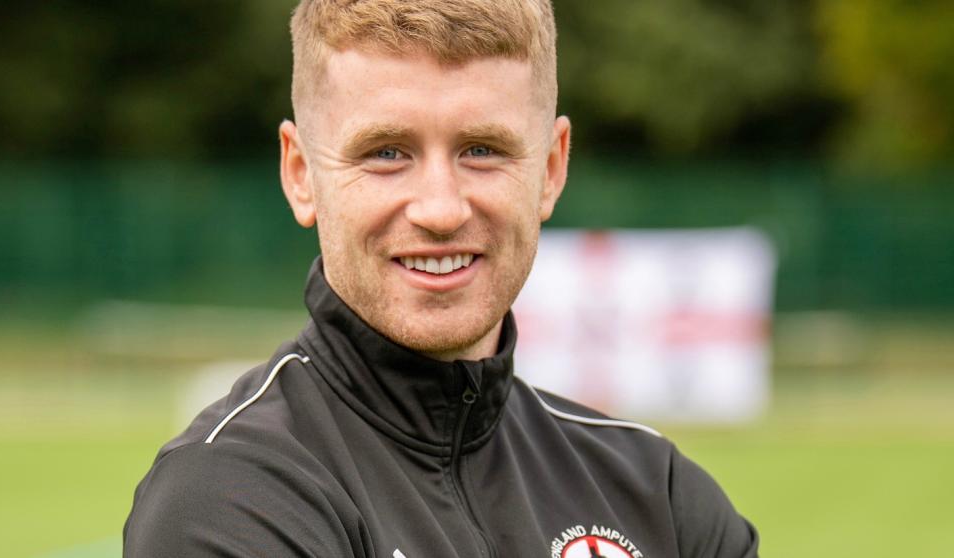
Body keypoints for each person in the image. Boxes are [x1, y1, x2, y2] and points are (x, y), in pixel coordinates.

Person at [124, 1, 759, 556]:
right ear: (300, 173)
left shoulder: (658, 497)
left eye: (482, 150)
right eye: (386, 153)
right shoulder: (228, 497)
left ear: (551, 169)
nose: (440, 209)